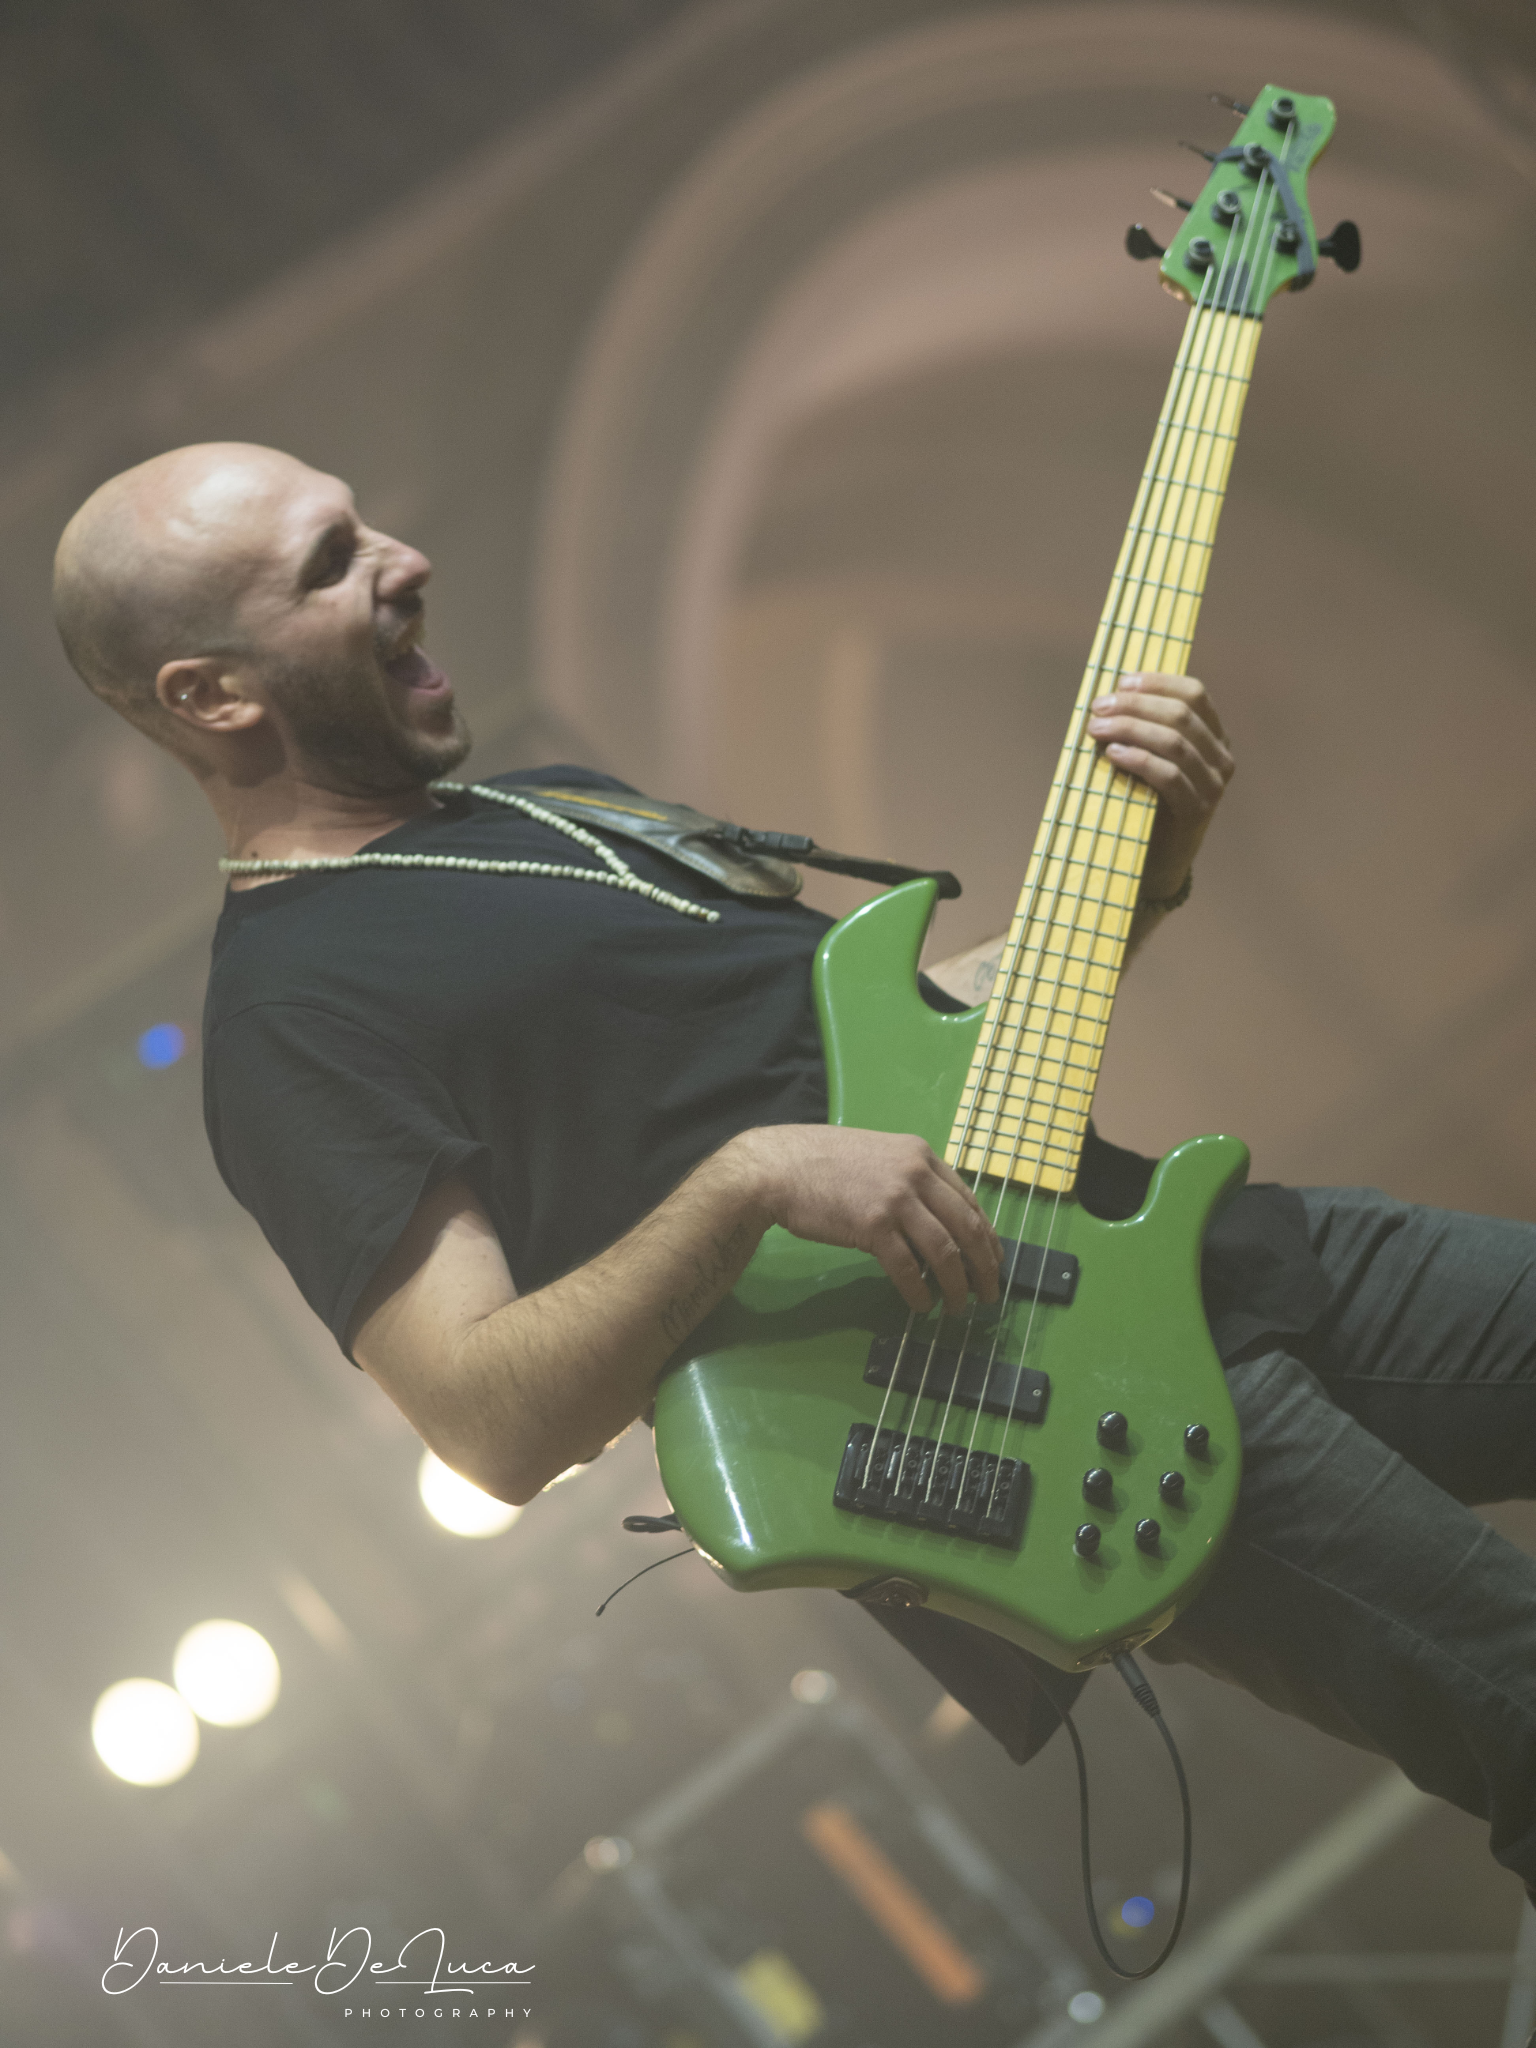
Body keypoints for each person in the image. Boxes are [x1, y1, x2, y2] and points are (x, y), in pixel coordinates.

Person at [53, 442, 1536, 1906]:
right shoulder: (289, 1021)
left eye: (368, 520)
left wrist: (1132, 884)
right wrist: (746, 1182)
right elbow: (487, 1417)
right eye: (331, 563)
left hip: (1183, 1247)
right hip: (1057, 1406)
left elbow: (918, 1060)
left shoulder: (554, 808)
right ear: (212, 695)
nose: (406, 560)